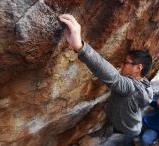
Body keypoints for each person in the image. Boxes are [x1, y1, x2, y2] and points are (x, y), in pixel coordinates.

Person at [58, 14, 153, 146]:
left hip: (126, 131)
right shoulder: (144, 83)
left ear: (138, 68)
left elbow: (112, 76)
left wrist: (80, 47)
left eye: (126, 62)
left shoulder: (131, 88)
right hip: (127, 125)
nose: (122, 65)